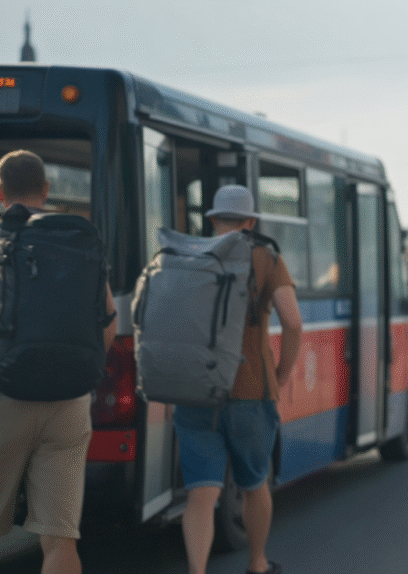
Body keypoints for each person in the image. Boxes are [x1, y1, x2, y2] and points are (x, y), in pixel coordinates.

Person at [0, 150, 117, 574]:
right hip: (68, 402)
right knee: (60, 541)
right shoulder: (78, 239)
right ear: (46, 190)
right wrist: (79, 371)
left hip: (0, 399)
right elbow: (108, 321)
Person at [174, 185, 302, 574]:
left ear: (212, 220)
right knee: (253, 484)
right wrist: (279, 375)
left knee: (200, 493)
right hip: (251, 390)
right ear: (250, 222)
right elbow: (293, 323)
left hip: (197, 391)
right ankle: (257, 563)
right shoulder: (266, 257)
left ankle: (197, 570)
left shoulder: (191, 255)